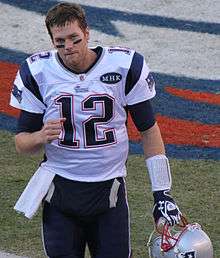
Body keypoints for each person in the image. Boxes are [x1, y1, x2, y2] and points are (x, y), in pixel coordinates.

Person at [10, 2, 182, 258]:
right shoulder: (38, 72)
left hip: (109, 191)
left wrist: (162, 193)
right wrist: (40, 136)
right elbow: (22, 143)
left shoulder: (124, 66)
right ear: (51, 40)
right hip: (59, 190)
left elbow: (149, 131)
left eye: (74, 38)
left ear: (87, 33)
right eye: (60, 41)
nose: (68, 47)